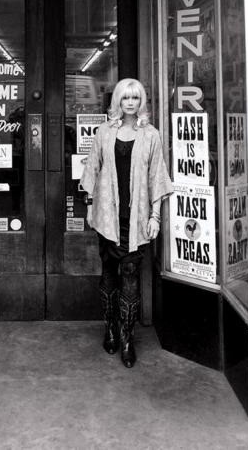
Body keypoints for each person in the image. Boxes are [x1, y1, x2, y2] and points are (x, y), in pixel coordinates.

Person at [81, 78, 173, 368]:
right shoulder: (104, 132)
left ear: (141, 101)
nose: (130, 103)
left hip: (136, 219)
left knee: (130, 274)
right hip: (108, 216)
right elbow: (92, 169)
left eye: (135, 98)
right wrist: (89, 205)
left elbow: (157, 177)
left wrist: (155, 216)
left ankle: (127, 336)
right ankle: (108, 327)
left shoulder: (151, 135)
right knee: (109, 273)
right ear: (117, 101)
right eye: (125, 98)